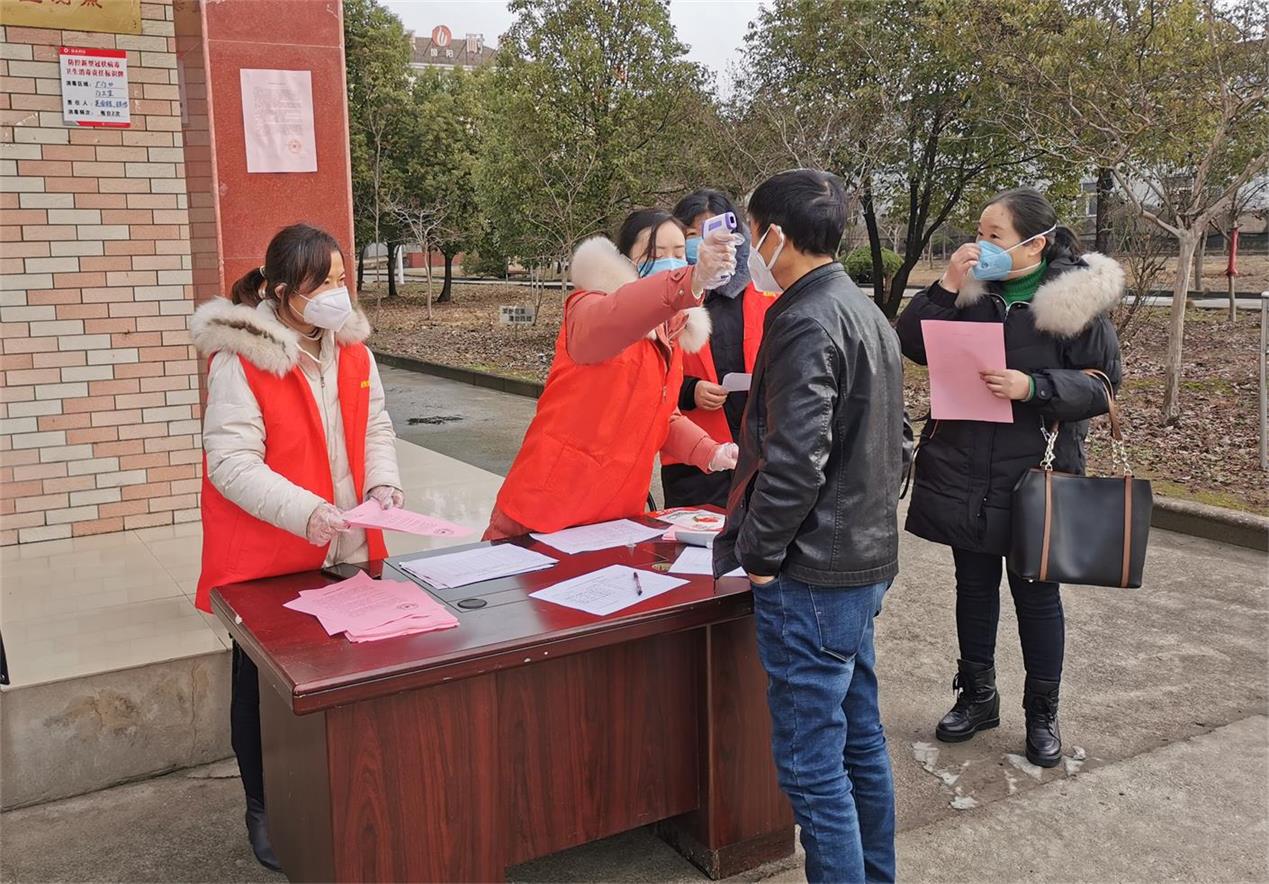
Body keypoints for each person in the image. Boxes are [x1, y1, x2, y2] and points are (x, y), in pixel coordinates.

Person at [190, 223, 403, 871]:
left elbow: (376, 427)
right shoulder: (242, 359)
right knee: (263, 693)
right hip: (270, 558)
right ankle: (264, 805)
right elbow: (230, 462)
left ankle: (341, 793)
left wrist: (383, 482)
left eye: (342, 279)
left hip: (346, 546)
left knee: (342, 681)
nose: (339, 293)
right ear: (282, 292)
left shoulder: (352, 350)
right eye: (324, 284)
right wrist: (306, 511)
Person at [713, 170, 905, 884]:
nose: (746, 246)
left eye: (749, 230)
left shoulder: (803, 319)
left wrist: (760, 555)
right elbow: (898, 440)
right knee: (859, 742)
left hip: (814, 572)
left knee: (811, 765)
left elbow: (796, 461)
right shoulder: (861, 308)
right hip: (860, 560)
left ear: (775, 236)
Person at [896, 187, 1124, 768]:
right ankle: (977, 696)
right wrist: (946, 285)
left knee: (1036, 596)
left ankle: (1042, 712)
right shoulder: (970, 291)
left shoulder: (1073, 300)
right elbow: (909, 343)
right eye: (980, 233)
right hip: (964, 466)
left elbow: (1103, 386)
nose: (982, 245)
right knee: (972, 588)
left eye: (994, 235)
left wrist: (1034, 387)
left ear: (1036, 244)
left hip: (1035, 473)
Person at [484, 209, 740, 540]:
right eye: (655, 254)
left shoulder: (670, 333)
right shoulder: (589, 308)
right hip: (545, 510)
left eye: (679, 254)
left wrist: (711, 452)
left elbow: (662, 415)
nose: (671, 263)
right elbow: (613, 318)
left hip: (615, 516)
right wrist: (686, 282)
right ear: (624, 261)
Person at [660, 189, 779, 509]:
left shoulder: (763, 293)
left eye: (714, 233)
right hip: (692, 458)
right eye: (692, 235)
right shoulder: (665, 297)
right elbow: (651, 376)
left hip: (759, 451)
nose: (705, 243)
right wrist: (691, 391)